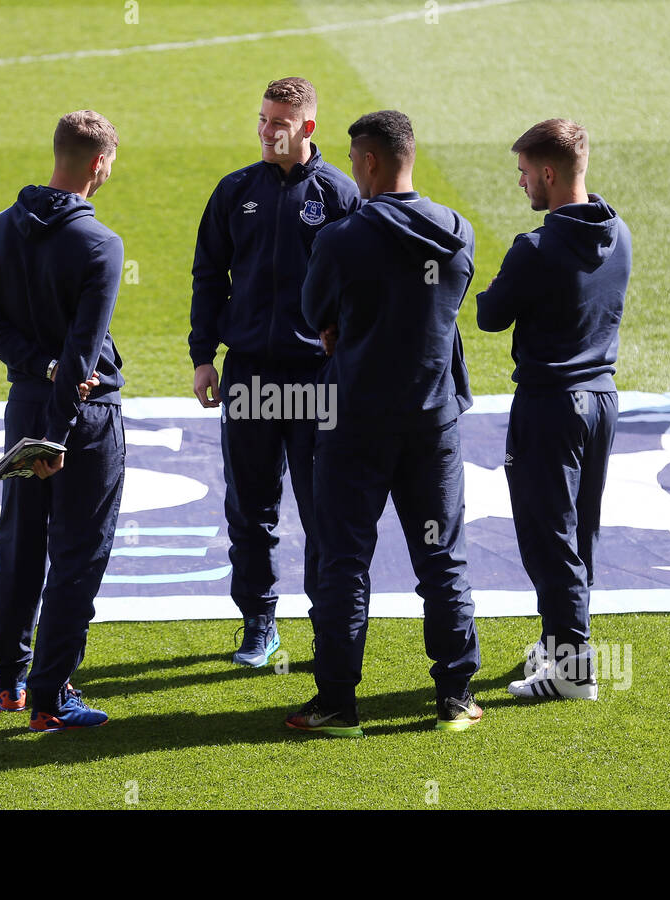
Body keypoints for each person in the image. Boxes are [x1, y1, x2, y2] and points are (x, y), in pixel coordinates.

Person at [286, 110, 482, 738]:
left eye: (351, 158)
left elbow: (314, 311)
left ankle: (338, 706)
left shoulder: (341, 239)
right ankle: (455, 697)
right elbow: (445, 307)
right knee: (442, 560)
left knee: (344, 561)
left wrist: (346, 323)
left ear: (369, 161)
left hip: (354, 424)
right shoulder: (458, 231)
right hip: (434, 422)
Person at [188, 77, 361, 667]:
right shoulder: (235, 190)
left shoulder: (340, 194)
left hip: (316, 378)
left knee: (322, 509)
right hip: (250, 377)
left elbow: (362, 285)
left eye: (279, 123)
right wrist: (202, 356)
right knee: (251, 507)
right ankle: (260, 623)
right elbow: (209, 275)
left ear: (307, 128)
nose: (266, 131)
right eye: (262, 119)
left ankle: (325, 624)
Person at [0, 110, 126, 731]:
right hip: (80, 423)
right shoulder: (100, 245)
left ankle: (8, 682)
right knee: (77, 556)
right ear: (97, 164)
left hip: (24, 408)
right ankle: (50, 698)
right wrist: (59, 434)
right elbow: (84, 357)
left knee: (19, 545)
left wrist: (39, 367)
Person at [475, 118, 631, 701]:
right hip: (602, 400)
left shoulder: (534, 248)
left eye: (522, 172)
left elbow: (491, 315)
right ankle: (560, 642)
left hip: (549, 405)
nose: (519, 183)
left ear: (546, 172)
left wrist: (496, 287)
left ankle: (573, 670)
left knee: (548, 537)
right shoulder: (621, 232)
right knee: (578, 531)